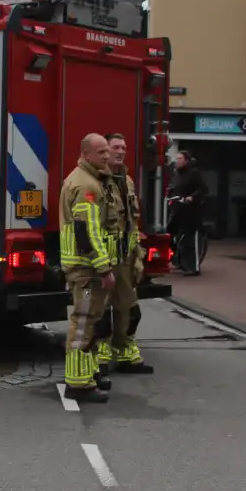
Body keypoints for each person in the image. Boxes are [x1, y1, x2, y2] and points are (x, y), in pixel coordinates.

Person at [58, 133, 119, 403]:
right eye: (100, 152)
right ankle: (78, 383)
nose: (106, 156)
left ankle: (88, 375)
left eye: (107, 151)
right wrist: (105, 268)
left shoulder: (90, 180)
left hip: (88, 267)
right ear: (85, 154)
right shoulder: (86, 186)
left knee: (91, 322)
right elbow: (89, 232)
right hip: (87, 269)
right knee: (83, 324)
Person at [93, 133, 155, 380]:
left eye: (124, 147)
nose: (120, 151)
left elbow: (133, 221)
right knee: (101, 310)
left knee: (128, 308)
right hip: (104, 259)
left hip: (126, 257)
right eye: (116, 147)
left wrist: (137, 255)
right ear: (105, 151)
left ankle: (126, 353)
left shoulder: (127, 181)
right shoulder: (96, 180)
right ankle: (101, 355)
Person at [167, 150, 207, 276]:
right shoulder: (176, 174)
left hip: (191, 213)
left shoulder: (193, 173)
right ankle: (179, 262)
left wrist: (191, 197)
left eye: (180, 159)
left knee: (190, 240)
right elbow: (173, 187)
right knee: (172, 237)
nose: (177, 161)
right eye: (176, 158)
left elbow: (203, 189)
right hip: (177, 212)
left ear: (186, 160)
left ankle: (194, 268)